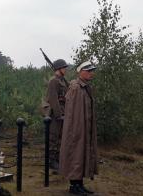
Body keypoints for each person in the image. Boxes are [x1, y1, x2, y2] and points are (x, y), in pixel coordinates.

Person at [59, 61, 97, 195]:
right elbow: (72, 113)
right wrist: (76, 131)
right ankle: (74, 186)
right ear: (81, 72)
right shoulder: (75, 87)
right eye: (89, 71)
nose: (92, 73)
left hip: (84, 128)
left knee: (81, 156)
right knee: (75, 156)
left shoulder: (85, 87)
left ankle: (79, 184)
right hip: (76, 130)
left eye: (92, 71)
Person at [46, 59, 69, 170]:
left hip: (63, 112)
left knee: (60, 137)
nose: (66, 69)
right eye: (64, 67)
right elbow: (53, 99)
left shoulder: (62, 80)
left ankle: (58, 158)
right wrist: (59, 115)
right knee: (53, 137)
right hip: (56, 113)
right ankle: (51, 161)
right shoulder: (53, 81)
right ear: (59, 69)